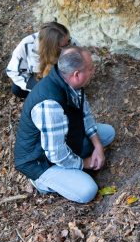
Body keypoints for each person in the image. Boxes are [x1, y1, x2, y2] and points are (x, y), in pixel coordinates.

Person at [14, 46, 115, 203]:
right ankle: (42, 182)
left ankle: (75, 160)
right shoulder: (50, 104)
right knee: (87, 191)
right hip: (40, 160)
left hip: (63, 138)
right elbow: (56, 153)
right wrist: (86, 163)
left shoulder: (70, 82)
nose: (94, 71)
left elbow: (85, 115)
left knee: (108, 133)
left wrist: (98, 146)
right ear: (76, 74)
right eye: (91, 68)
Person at [6, 21, 73, 99]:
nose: (68, 47)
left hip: (60, 74)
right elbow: (13, 72)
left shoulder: (67, 41)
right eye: (64, 46)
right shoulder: (26, 46)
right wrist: (36, 88)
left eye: (69, 41)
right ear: (51, 47)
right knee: (16, 89)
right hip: (37, 76)